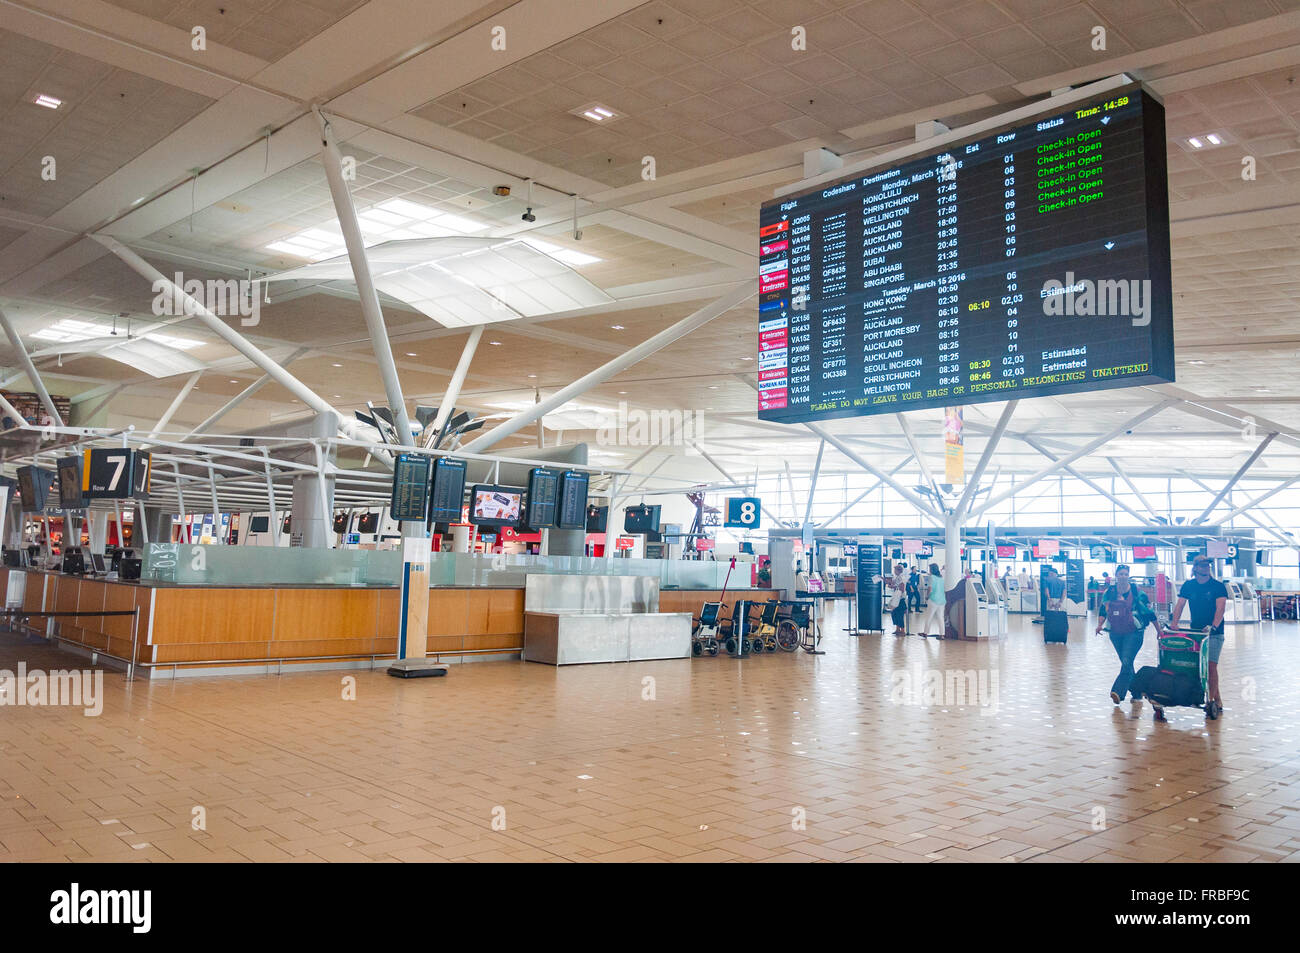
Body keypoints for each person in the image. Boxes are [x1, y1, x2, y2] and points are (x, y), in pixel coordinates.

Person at [1168, 555, 1228, 715]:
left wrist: (1213, 626)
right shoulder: (1189, 585)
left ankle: (1212, 701)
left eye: (1208, 565)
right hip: (1196, 632)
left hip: (1214, 633)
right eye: (1202, 565)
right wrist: (1174, 623)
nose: (1205, 567)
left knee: (1211, 666)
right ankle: (1217, 698)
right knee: (1201, 667)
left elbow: (1220, 608)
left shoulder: (1218, 586)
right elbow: (1180, 604)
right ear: (1195, 568)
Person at [1095, 565, 1152, 705]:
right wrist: (1099, 625)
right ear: (1116, 575)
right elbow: (1103, 610)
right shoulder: (1110, 592)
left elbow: (1148, 611)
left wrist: (1159, 629)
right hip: (1115, 631)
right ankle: (1137, 692)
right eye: (1120, 574)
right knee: (1127, 662)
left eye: (1126, 574)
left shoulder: (1137, 592)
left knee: (1126, 661)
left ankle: (1118, 692)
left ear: (1129, 576)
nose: (1123, 576)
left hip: (1134, 631)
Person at [921, 562, 945, 637]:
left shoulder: (932, 577)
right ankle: (942, 634)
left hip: (933, 599)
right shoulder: (941, 578)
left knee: (929, 616)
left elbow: (930, 588)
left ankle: (925, 633)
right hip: (942, 600)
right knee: (940, 617)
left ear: (932, 569)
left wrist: (927, 596)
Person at [886, 563, 907, 636]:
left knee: (899, 614)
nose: (894, 571)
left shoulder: (901, 577)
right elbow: (893, 584)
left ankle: (902, 630)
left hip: (900, 598)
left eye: (895, 570)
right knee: (894, 613)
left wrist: (894, 587)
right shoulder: (896, 577)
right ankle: (897, 629)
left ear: (898, 570)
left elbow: (902, 587)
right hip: (896, 597)